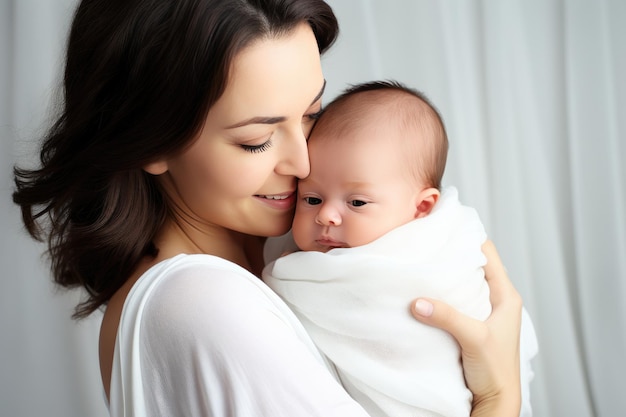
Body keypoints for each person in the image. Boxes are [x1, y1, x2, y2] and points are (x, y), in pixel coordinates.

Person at [12, 1, 524, 416]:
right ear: (150, 142)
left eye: (311, 115)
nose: (303, 163)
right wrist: (499, 397)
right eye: (256, 140)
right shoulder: (204, 305)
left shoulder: (275, 261)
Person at [263, 80, 538, 417]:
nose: (326, 215)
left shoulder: (445, 247)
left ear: (422, 207)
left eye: (358, 202)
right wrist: (496, 398)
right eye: (312, 198)